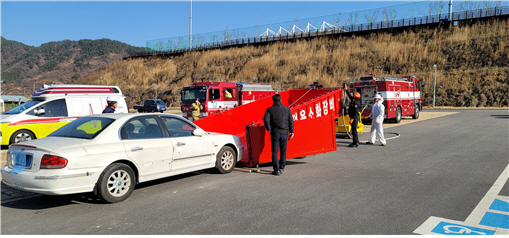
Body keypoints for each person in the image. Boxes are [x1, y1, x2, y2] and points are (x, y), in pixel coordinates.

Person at [263, 94, 294, 176]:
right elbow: (291, 120)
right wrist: (292, 131)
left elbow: (265, 119)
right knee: (283, 151)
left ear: (273, 100)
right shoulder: (287, 109)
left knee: (274, 152)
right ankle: (282, 167)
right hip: (284, 133)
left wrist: (269, 129)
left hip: (275, 133)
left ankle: (276, 170)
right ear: (280, 100)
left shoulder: (270, 110)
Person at [343, 83, 361, 148]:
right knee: (353, 130)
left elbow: (356, 112)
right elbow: (349, 95)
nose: (353, 95)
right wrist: (346, 89)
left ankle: (355, 142)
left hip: (354, 118)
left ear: (356, 97)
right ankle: (355, 141)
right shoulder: (353, 100)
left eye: (354, 95)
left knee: (354, 130)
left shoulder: (356, 103)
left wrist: (352, 119)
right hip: (352, 117)